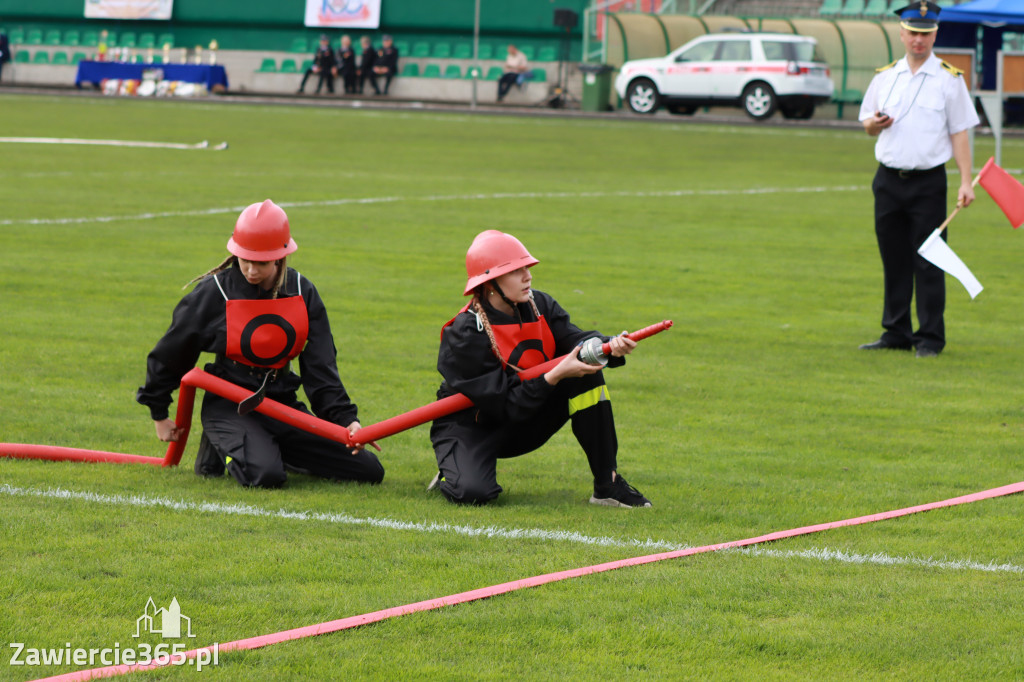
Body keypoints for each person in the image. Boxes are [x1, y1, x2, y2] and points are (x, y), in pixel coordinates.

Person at [136, 200, 385, 489]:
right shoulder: (215, 292)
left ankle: (268, 448)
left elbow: (321, 366)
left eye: (262, 262)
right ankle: (225, 445)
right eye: (245, 260)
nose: (252, 270)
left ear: (280, 257)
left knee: (368, 470)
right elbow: (173, 351)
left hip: (281, 403)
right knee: (266, 476)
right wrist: (159, 413)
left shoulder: (303, 292)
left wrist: (347, 422)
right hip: (229, 404)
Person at [428, 230, 652, 508]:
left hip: (523, 412)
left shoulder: (540, 304)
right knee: (474, 494)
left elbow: (575, 340)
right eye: (515, 271)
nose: (528, 276)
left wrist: (609, 345)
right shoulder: (465, 333)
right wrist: (555, 374)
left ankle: (608, 484)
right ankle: (452, 466)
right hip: (473, 425)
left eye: (527, 268)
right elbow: (503, 404)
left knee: (587, 369)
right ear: (489, 283)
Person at [858, 1, 979, 359]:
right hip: (888, 180)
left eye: (925, 34)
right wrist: (873, 125)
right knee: (893, 257)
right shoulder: (885, 76)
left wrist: (966, 181)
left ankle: (930, 337)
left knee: (930, 259)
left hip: (928, 183)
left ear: (935, 34)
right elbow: (866, 125)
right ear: (901, 33)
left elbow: (960, 133)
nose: (918, 40)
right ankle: (895, 331)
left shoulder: (949, 79)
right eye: (913, 33)